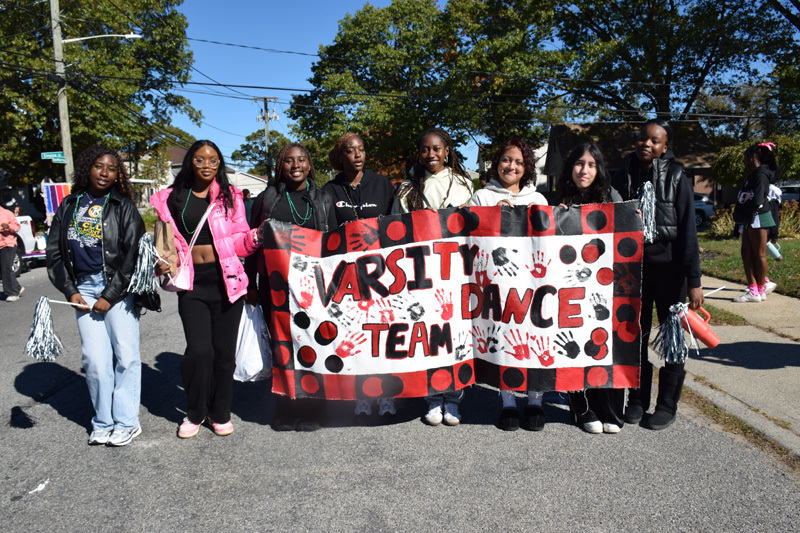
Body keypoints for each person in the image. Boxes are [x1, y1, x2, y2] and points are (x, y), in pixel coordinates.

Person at [150, 140, 262, 439]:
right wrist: (162, 261)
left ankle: (220, 412)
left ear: (219, 164)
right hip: (192, 283)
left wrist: (256, 237)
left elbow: (239, 242)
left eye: (213, 160)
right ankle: (195, 412)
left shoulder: (230, 196)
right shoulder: (171, 198)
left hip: (227, 280)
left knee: (224, 354)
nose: (207, 165)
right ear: (190, 161)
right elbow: (164, 242)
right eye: (200, 159)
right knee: (200, 351)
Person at [46, 145, 145, 446]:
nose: (105, 173)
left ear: (118, 175)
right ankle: (103, 421)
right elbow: (54, 253)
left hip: (117, 289)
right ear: (87, 168)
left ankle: (127, 422)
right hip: (83, 289)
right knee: (95, 360)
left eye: (112, 169)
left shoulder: (123, 207)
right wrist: (70, 290)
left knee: (126, 356)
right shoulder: (69, 205)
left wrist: (110, 295)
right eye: (99, 166)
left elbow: (133, 256)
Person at [612, 119, 703, 431]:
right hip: (633, 270)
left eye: (654, 141)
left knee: (673, 340)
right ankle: (636, 400)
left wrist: (694, 280)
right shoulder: (623, 175)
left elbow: (688, 230)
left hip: (670, 271)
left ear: (665, 147)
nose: (646, 144)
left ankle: (666, 406)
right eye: (642, 138)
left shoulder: (677, 176)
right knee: (635, 337)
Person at [247, 143, 336, 431]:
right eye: (288, 160)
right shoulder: (267, 198)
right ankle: (284, 408)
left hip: (313, 285)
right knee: (281, 346)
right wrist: (251, 282)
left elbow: (336, 242)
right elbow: (251, 242)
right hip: (275, 285)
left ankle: (314, 409)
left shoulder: (324, 198)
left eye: (301, 160)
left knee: (312, 343)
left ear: (310, 165)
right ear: (280, 166)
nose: (295, 165)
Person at [394, 128, 474, 426]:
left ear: (447, 151)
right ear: (419, 154)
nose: (431, 155)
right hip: (420, 272)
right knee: (427, 336)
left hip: (455, 271)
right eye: (425, 149)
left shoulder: (464, 183)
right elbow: (395, 230)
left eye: (437, 148)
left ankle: (453, 398)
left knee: (454, 336)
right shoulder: (406, 189)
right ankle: (431, 398)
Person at [470, 138, 550, 431]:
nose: (511, 166)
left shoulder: (538, 199)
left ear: (526, 167)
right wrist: (492, 216)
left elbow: (550, 238)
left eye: (518, 162)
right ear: (496, 163)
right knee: (503, 338)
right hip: (497, 284)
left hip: (534, 282)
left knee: (536, 337)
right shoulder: (482, 197)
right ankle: (508, 403)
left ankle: (535, 401)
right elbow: (469, 233)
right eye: (506, 159)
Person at [323, 132, 396, 417]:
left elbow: (396, 225)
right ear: (340, 156)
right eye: (351, 151)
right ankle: (362, 394)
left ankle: (386, 393)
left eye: (362, 149)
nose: (358, 155)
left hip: (382, 272)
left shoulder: (381, 184)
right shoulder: (330, 190)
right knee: (356, 335)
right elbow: (326, 233)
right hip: (348, 275)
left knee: (382, 333)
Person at [554, 143, 625, 434]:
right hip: (571, 286)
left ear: (599, 169)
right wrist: (555, 219)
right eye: (579, 163)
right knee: (574, 342)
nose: (584, 170)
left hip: (604, 287)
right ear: (570, 167)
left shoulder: (612, 197)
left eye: (591, 164)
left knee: (605, 344)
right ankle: (582, 408)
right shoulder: (559, 199)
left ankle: (609, 408)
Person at [732, 142, 780, 302]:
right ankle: (754, 289)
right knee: (746, 252)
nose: (744, 161)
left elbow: (758, 199)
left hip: (757, 217)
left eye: (745, 158)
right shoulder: (754, 174)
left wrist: (746, 210)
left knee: (759, 254)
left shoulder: (761, 175)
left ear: (753, 157)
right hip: (749, 218)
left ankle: (759, 290)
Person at [0, 202, 23, 302]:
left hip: (8, 244)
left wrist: (8, 226)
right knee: (3, 268)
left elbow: (17, 227)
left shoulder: (6, 213)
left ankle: (12, 292)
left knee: (6, 267)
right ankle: (17, 287)